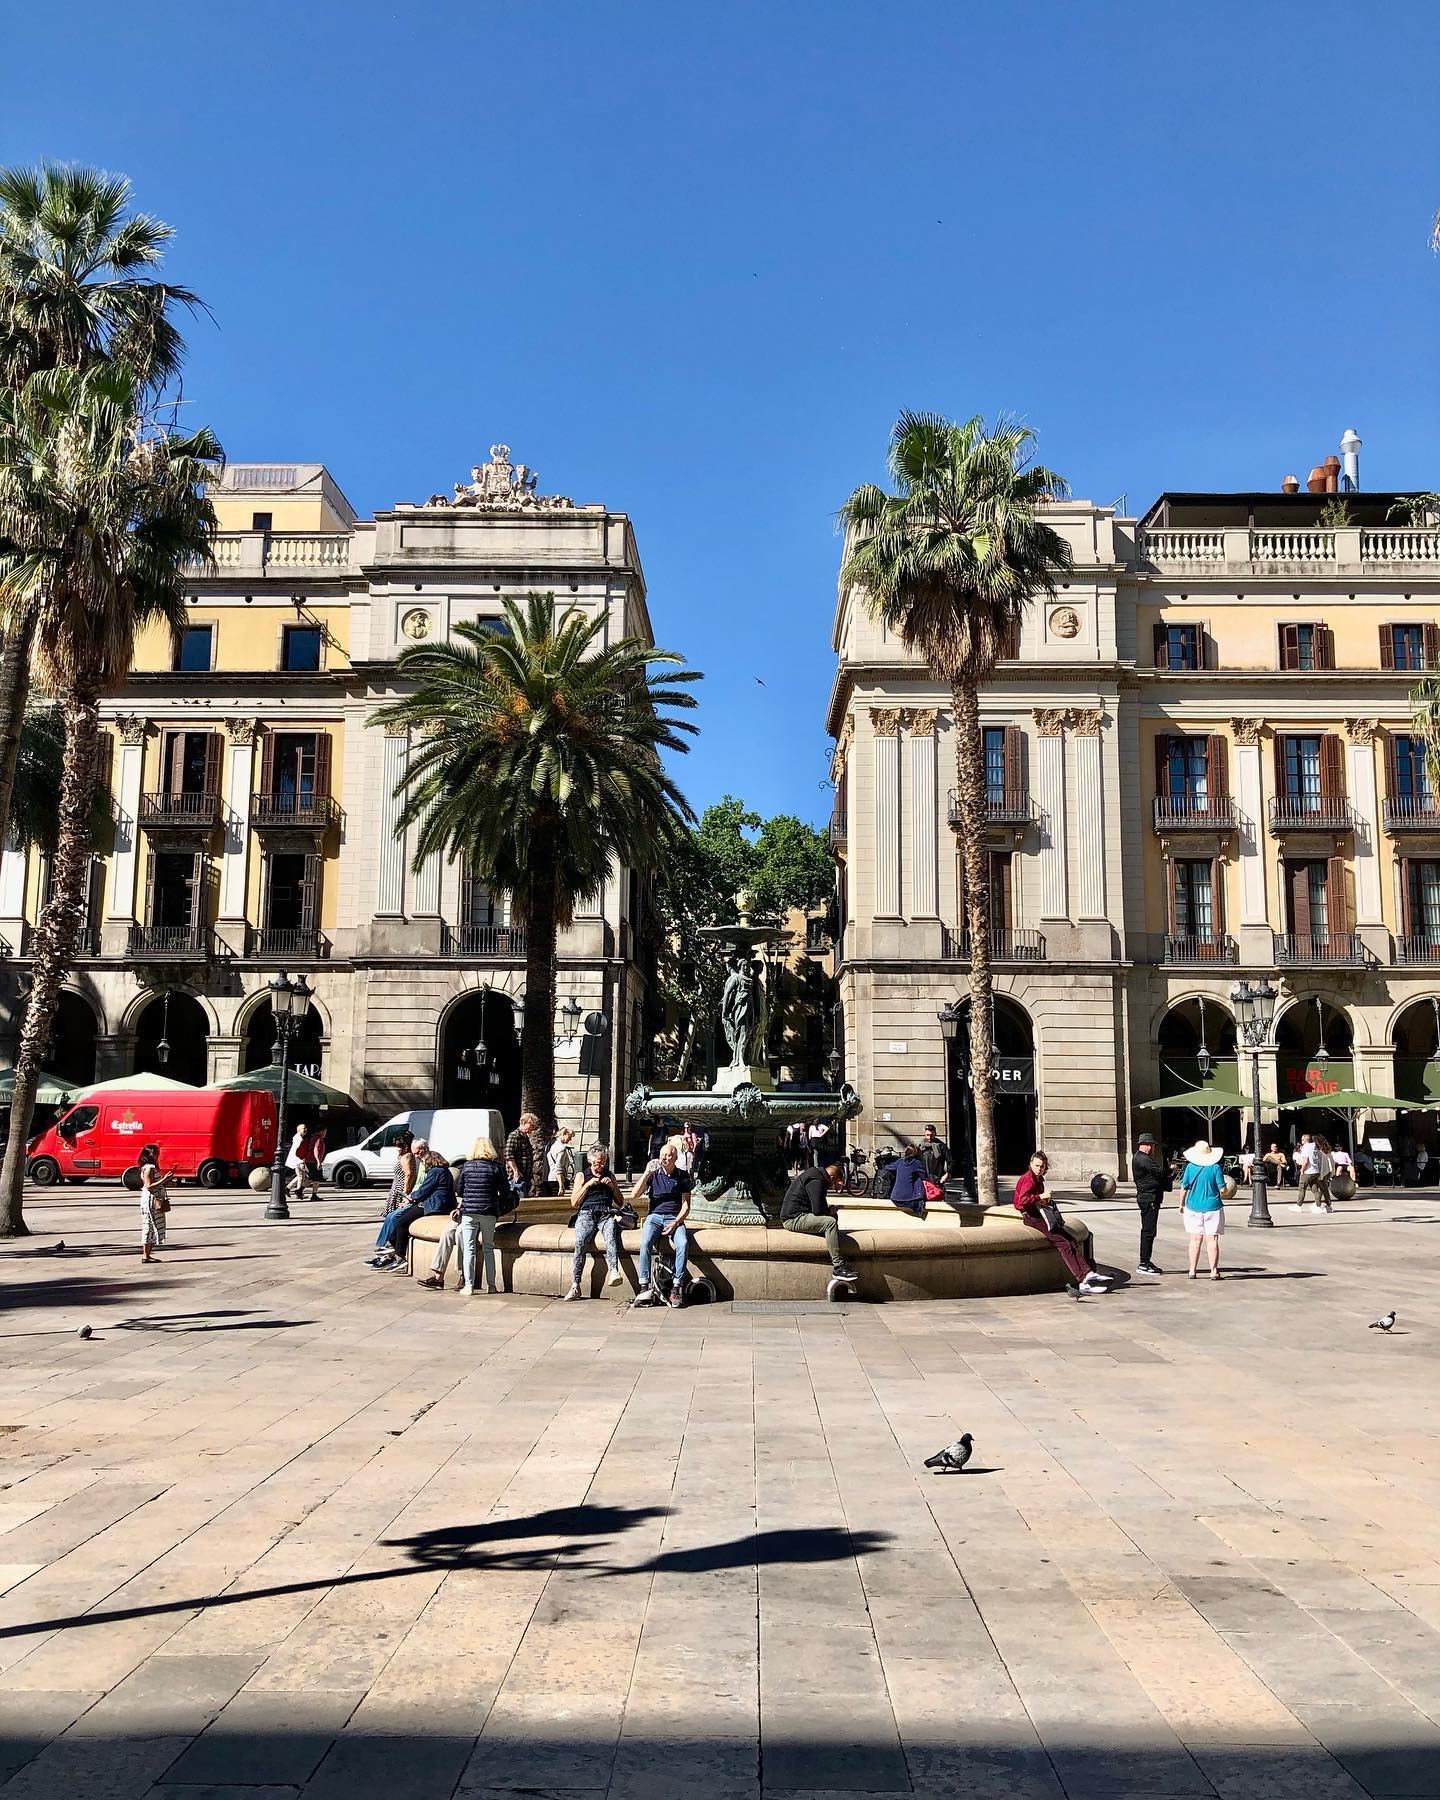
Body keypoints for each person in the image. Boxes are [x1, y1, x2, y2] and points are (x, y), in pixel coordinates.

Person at [1012, 1151, 1109, 1293]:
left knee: (1071, 1239)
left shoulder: (1038, 1179)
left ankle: (1088, 1273)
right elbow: (1021, 1201)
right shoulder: (1029, 1179)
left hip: (1039, 1214)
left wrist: (1044, 1200)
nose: (1039, 1169)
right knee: (1063, 1243)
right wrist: (1040, 1196)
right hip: (1032, 1217)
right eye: (1037, 1165)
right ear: (1030, 1164)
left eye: (1042, 1166)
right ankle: (1081, 1280)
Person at [425, 1135, 507, 1296]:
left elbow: (460, 1190)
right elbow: (505, 1191)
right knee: (488, 1248)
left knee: (469, 1249)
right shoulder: (496, 1167)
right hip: (489, 1212)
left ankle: (468, 1286)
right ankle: (491, 1285)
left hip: (469, 1212)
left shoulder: (467, 1167)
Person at [369, 1147, 455, 1270]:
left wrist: (412, 1198)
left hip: (434, 1206)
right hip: (437, 1204)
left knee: (402, 1221)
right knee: (401, 1218)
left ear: (430, 1161)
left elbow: (425, 1189)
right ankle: (393, 1246)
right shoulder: (445, 1171)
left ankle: (399, 1255)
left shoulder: (435, 1171)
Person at [631, 1142, 693, 1307]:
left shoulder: (683, 1176)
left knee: (683, 1243)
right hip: (655, 1217)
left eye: (668, 1156)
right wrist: (646, 1172)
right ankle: (644, 1286)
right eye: (662, 1155)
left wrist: (676, 1223)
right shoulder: (653, 1174)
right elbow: (634, 1194)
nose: (665, 1158)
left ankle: (676, 1288)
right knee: (645, 1243)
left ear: (675, 1158)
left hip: (674, 1217)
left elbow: (686, 1206)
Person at [565, 1144, 626, 1299]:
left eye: (603, 1162)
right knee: (580, 1244)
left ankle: (614, 1271)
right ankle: (575, 1284)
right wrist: (588, 1184)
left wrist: (612, 1187)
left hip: (605, 1213)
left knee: (611, 1236)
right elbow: (574, 1202)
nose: (601, 1166)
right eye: (598, 1163)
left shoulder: (609, 1175)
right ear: (590, 1161)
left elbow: (620, 1202)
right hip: (586, 1213)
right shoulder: (581, 1176)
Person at [779, 1162, 857, 1281]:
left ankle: (833, 1248)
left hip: (799, 1215)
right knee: (829, 1223)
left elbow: (819, 1208)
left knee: (831, 1218)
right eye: (835, 1183)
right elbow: (818, 1211)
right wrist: (831, 1210)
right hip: (793, 1219)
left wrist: (830, 1210)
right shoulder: (816, 1181)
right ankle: (838, 1267)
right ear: (831, 1177)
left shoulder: (817, 1177)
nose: (834, 1187)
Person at [1180, 1138, 1226, 1279]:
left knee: (1195, 1239)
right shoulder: (1215, 1168)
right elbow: (1223, 1189)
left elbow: (1184, 1187)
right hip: (1213, 1207)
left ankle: (1192, 1270)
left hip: (1192, 1206)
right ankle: (1213, 1271)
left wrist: (1181, 1204)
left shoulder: (1190, 1167)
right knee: (1212, 1240)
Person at [1131, 1131, 1169, 1274]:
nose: (1154, 1149)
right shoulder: (1143, 1159)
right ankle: (1143, 1262)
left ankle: (1146, 1261)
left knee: (1149, 1231)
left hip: (1149, 1197)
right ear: (1146, 1145)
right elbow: (1159, 1172)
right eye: (1153, 1145)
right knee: (1148, 1231)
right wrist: (1170, 1171)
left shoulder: (1140, 1158)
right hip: (1149, 1198)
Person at [138, 1143, 169, 1263]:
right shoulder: (149, 1168)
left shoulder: (149, 1167)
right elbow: (149, 1186)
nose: (158, 1155)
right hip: (151, 1200)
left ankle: (148, 1255)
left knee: (152, 1225)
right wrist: (164, 1179)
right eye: (156, 1152)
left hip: (152, 1198)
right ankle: (145, 1256)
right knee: (149, 1225)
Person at [505, 1112, 540, 1199]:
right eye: (531, 1126)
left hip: (525, 1176)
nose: (532, 1129)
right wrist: (515, 1171)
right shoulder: (514, 1136)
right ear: (523, 1123)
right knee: (520, 1200)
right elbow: (508, 1155)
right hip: (517, 1176)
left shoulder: (525, 1137)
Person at [888, 1145, 927, 1218]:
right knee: (918, 1178)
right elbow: (924, 1176)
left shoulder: (899, 1162)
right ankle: (918, 1207)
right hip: (909, 1200)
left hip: (895, 1198)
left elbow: (888, 1168)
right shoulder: (917, 1163)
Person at [545, 1126, 575, 1197]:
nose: (570, 1139)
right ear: (564, 1134)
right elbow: (558, 1168)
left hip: (549, 1178)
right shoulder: (562, 1148)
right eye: (569, 1136)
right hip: (557, 1180)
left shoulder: (551, 1145)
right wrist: (561, 1186)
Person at [1310, 1134, 1336, 1212]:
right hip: (1327, 1171)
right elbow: (1332, 1162)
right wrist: (1332, 1173)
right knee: (1323, 1188)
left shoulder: (1318, 1151)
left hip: (1320, 1172)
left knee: (1318, 1188)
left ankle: (1320, 1204)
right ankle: (1325, 1204)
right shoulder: (1327, 1150)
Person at [919, 1124, 951, 1189]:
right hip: (923, 1178)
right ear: (924, 1134)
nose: (929, 1137)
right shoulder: (921, 1146)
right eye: (927, 1135)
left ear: (935, 1134)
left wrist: (947, 1174)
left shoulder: (942, 1146)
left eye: (931, 1135)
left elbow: (950, 1161)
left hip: (937, 1179)